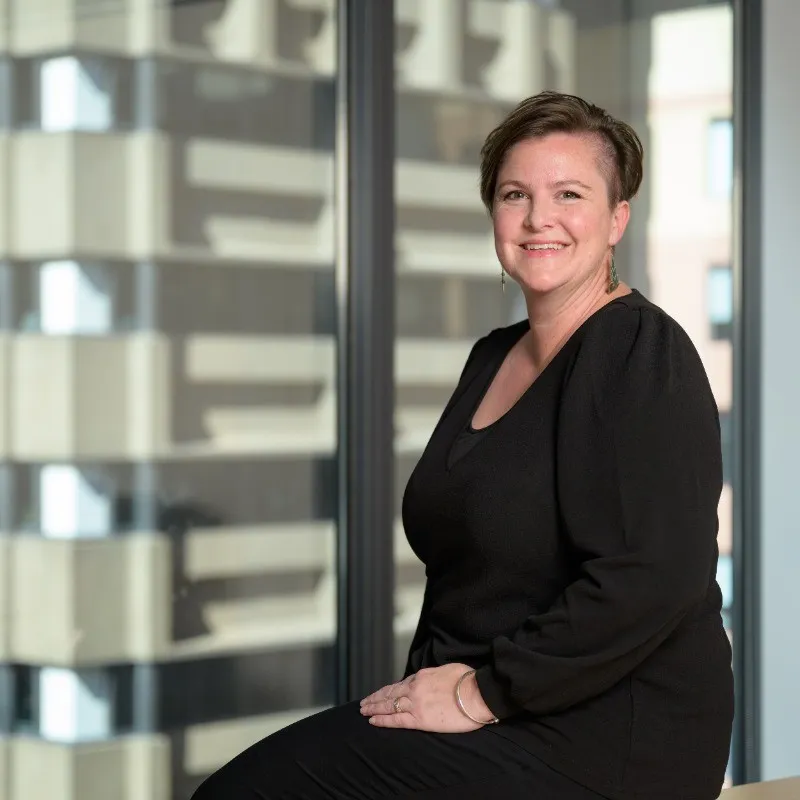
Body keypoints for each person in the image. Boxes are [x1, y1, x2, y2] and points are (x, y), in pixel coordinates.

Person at [192, 91, 734, 800]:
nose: (539, 218)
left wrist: (481, 694)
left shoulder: (638, 349)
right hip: (493, 713)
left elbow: (653, 574)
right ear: (494, 216)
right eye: (516, 195)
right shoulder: (493, 357)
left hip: (606, 736)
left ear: (616, 220)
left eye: (569, 194)